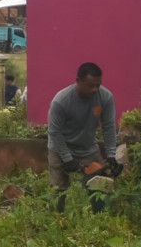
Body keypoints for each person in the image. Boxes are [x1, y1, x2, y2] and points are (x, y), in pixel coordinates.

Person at [47, 62, 119, 199]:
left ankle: (98, 211)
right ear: (78, 81)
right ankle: (58, 211)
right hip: (60, 147)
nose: (95, 89)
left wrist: (111, 155)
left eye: (98, 85)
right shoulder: (61, 101)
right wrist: (67, 158)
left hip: (87, 148)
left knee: (102, 184)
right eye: (90, 85)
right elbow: (55, 132)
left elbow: (109, 127)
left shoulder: (106, 97)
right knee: (58, 189)